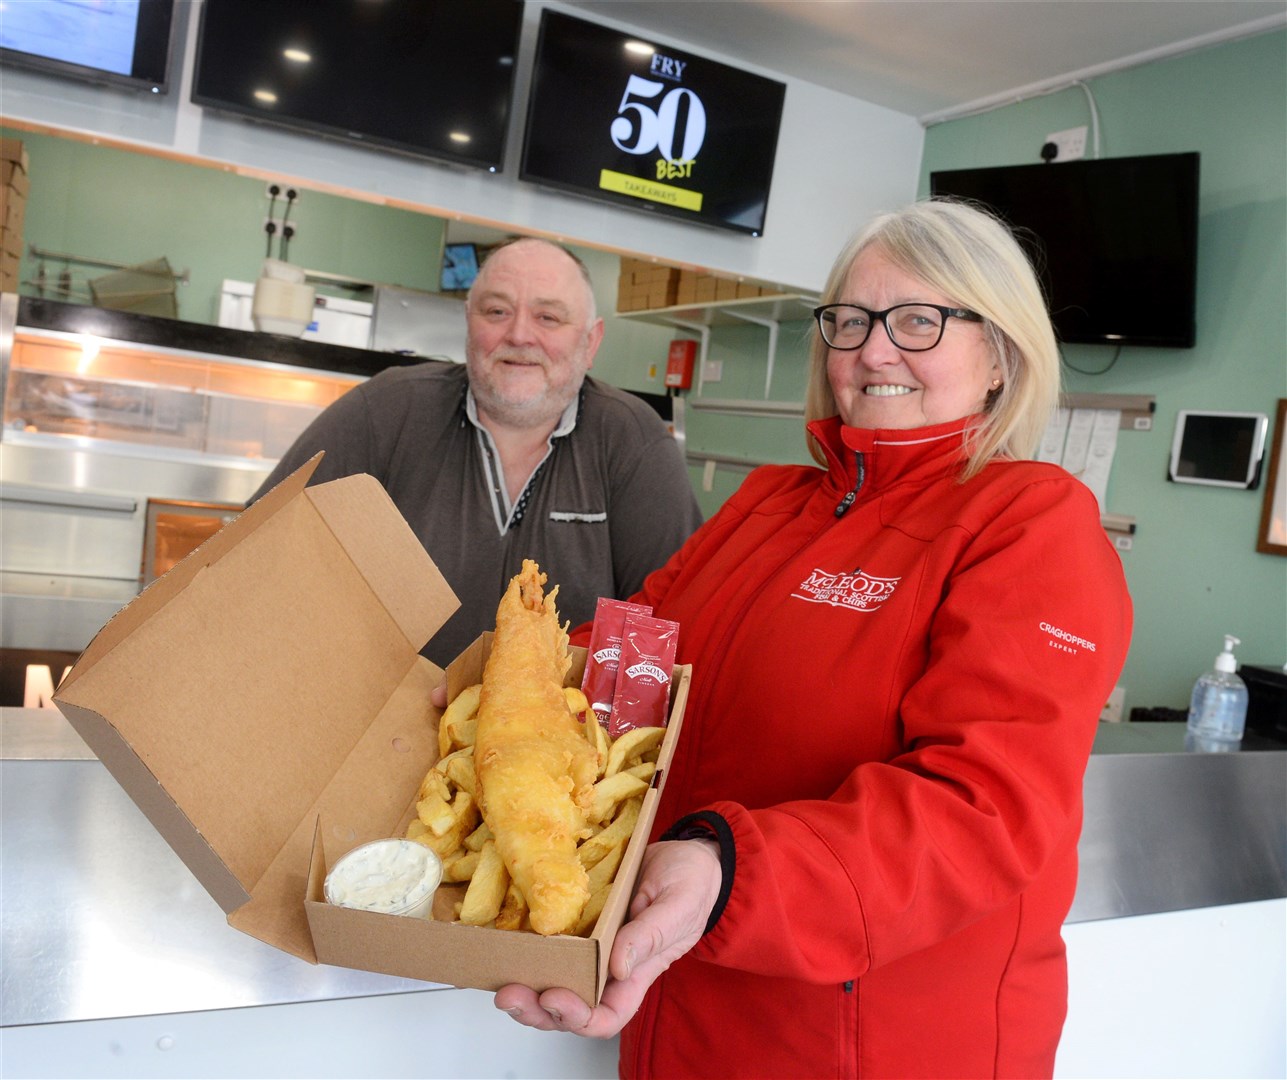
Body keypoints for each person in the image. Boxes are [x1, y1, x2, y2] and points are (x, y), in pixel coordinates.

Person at [494, 199, 1134, 1079]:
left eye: (919, 320)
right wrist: (495, 695)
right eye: (850, 320)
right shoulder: (770, 502)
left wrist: (725, 870)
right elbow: (627, 654)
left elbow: (981, 811)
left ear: (999, 354)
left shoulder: (1030, 523)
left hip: (872, 1044)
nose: (873, 350)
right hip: (678, 1000)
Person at [250, 237, 702, 666]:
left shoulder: (632, 441)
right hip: (371, 721)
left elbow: (673, 619)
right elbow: (259, 546)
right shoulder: (388, 409)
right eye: (497, 311)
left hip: (557, 737)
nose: (520, 334)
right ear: (469, 321)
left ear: (591, 341)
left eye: (548, 318)